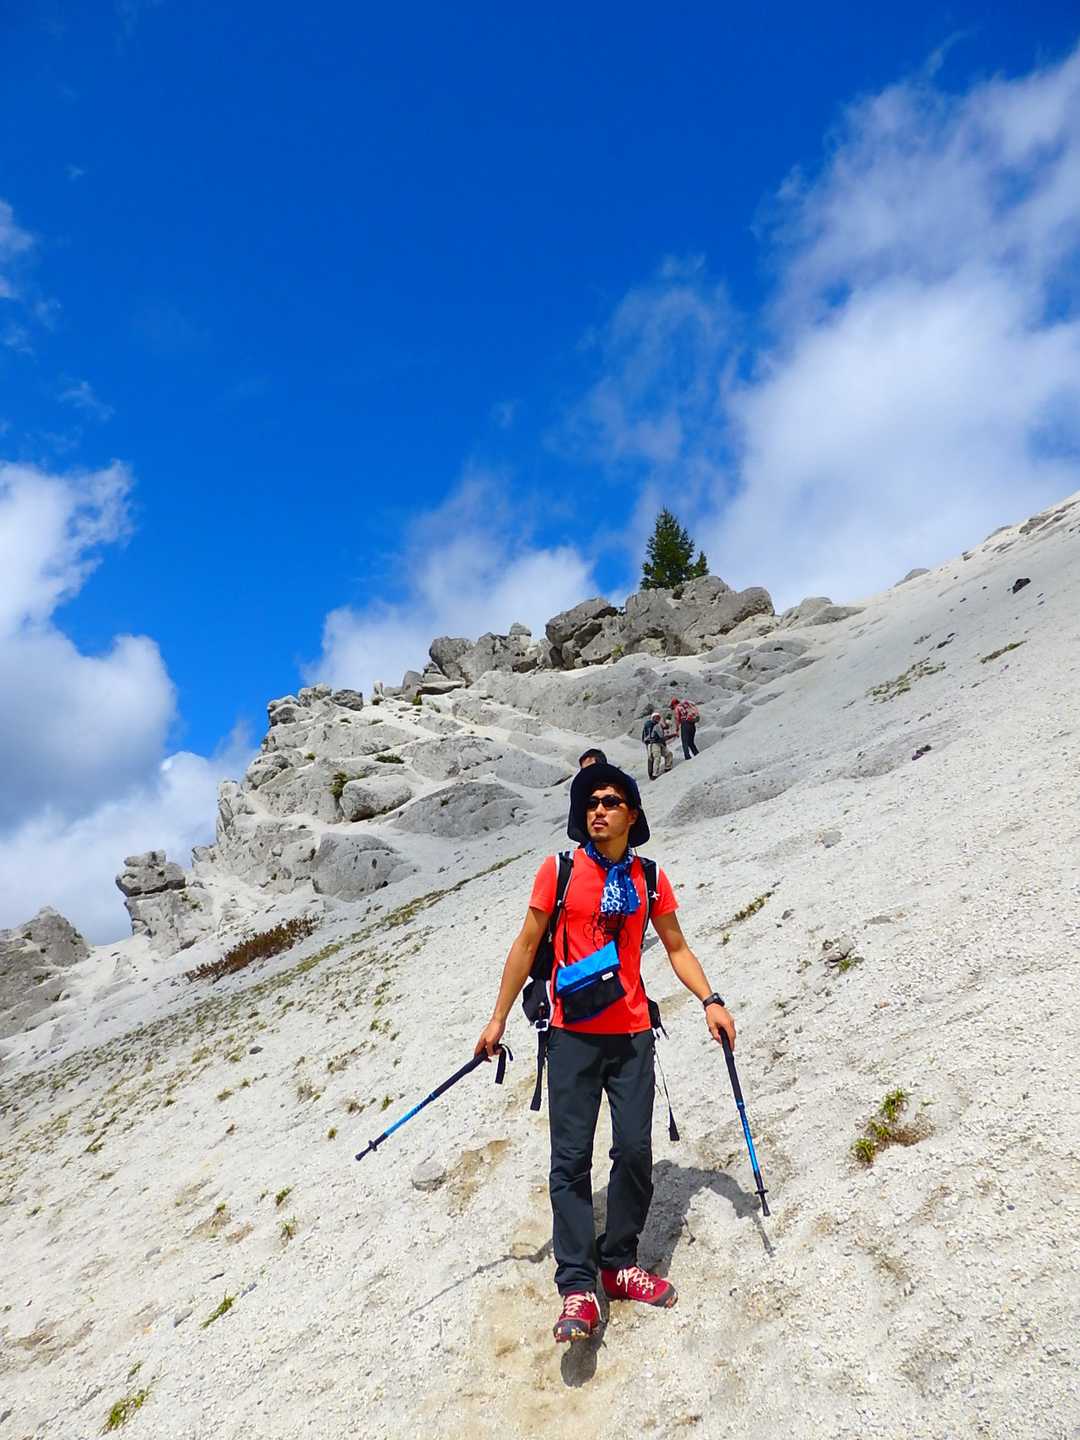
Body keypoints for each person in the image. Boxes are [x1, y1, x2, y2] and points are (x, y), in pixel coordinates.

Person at [474, 762, 736, 1345]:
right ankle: (576, 1285)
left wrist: (710, 1000)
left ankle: (618, 1264)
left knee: (636, 1151)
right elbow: (526, 944)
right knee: (569, 1161)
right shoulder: (559, 871)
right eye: (591, 802)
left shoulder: (650, 878)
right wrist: (497, 1018)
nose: (598, 810)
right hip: (570, 1035)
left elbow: (676, 946)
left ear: (632, 814)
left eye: (611, 801)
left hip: (633, 1033)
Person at [641, 712, 673, 781]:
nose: (658, 718)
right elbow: (657, 736)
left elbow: (665, 728)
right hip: (653, 743)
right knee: (657, 758)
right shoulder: (651, 724)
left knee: (668, 754)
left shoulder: (656, 724)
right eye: (656, 717)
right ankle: (654, 774)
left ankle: (667, 767)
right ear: (653, 718)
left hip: (659, 743)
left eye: (658, 717)